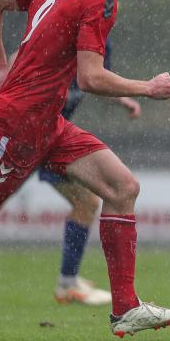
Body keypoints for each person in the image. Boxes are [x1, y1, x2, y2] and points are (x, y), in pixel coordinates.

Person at [0, 0, 170, 337]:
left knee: (122, 187)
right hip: (19, 125)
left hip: (46, 123)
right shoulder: (99, 0)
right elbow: (90, 78)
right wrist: (147, 87)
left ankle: (125, 308)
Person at [32, 34, 142, 306]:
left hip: (48, 137)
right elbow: (23, 55)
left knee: (86, 201)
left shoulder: (102, 40)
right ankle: (67, 282)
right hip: (28, 132)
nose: (110, 4)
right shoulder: (68, 28)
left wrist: (122, 98)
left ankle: (68, 281)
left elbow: (95, 79)